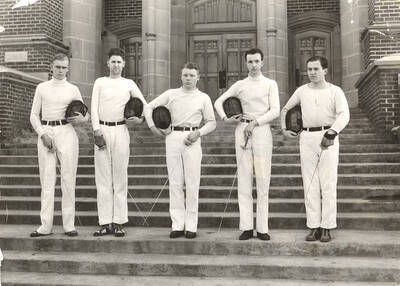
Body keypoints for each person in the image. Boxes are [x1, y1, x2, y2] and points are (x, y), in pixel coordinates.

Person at [280, 55, 350, 242]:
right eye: (309, 69)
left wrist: (333, 132)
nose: (311, 72)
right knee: (310, 183)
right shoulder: (302, 91)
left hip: (327, 137)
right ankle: (313, 226)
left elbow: (344, 115)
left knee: (327, 183)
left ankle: (327, 227)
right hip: (307, 137)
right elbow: (285, 109)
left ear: (324, 70)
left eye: (316, 69)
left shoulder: (335, 91)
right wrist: (284, 129)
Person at [144, 62, 216, 239]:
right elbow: (148, 107)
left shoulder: (203, 98)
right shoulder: (171, 94)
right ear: (181, 76)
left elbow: (212, 122)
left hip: (192, 139)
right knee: (175, 183)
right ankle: (177, 224)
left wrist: (198, 133)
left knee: (192, 183)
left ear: (198, 77)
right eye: (185, 75)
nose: (188, 78)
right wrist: (154, 127)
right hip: (173, 137)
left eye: (192, 75)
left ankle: (191, 226)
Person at [214, 48, 280, 241]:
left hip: (261, 130)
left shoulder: (270, 84)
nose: (253, 65)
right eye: (250, 62)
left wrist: (256, 122)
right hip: (242, 131)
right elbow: (219, 102)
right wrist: (227, 118)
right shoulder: (240, 85)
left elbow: (275, 110)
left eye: (256, 61)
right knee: (244, 179)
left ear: (262, 62)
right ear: (246, 63)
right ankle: (246, 227)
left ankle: (262, 228)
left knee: (262, 179)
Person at [30, 53, 88, 237]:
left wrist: (82, 118)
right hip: (47, 132)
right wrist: (42, 134)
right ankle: (45, 226)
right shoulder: (42, 87)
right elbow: (33, 115)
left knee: (68, 178)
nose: (61, 70)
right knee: (47, 180)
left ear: (68, 68)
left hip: (67, 133)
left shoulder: (73, 89)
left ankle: (69, 225)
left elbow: (83, 113)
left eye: (64, 67)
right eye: (57, 67)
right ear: (51, 67)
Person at [91, 48, 146, 237]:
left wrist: (140, 119)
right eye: (113, 62)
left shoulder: (128, 83)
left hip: (121, 130)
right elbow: (94, 107)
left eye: (119, 62)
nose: (116, 65)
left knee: (120, 177)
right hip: (103, 130)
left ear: (124, 64)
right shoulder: (100, 82)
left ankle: (119, 221)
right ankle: (105, 222)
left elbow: (144, 105)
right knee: (103, 179)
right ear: (108, 64)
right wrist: (96, 130)